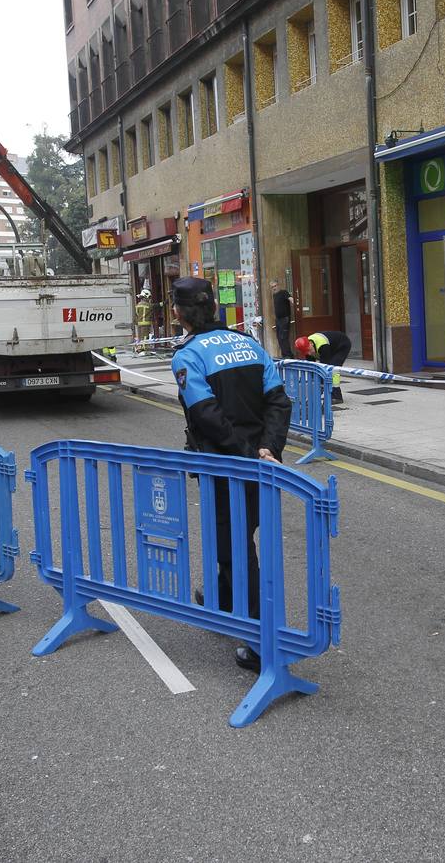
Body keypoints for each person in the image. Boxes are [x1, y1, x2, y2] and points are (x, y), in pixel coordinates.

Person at [170, 276, 291, 671]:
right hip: (261, 463)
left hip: (224, 466)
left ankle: (260, 644)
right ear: (216, 310)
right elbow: (278, 401)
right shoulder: (250, 344)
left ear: (178, 313)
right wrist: (267, 450)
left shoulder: (188, 355)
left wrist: (244, 456)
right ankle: (223, 602)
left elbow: (208, 417)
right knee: (242, 535)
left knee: (233, 547)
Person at [293, 330, 351, 403]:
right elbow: (312, 368)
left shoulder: (323, 345)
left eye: (309, 350)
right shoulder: (306, 346)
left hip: (342, 345)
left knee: (333, 370)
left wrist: (320, 387)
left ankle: (337, 397)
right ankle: (318, 394)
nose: (309, 353)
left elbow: (324, 368)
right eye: (306, 352)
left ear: (311, 344)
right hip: (332, 345)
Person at [270, 280, 293, 356]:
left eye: (275, 286)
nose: (274, 288)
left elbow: (291, 299)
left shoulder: (284, 292)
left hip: (285, 318)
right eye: (272, 287)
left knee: (284, 337)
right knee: (279, 338)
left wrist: (295, 303)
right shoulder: (274, 295)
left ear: (278, 285)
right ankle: (284, 355)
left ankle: (289, 355)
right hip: (278, 319)